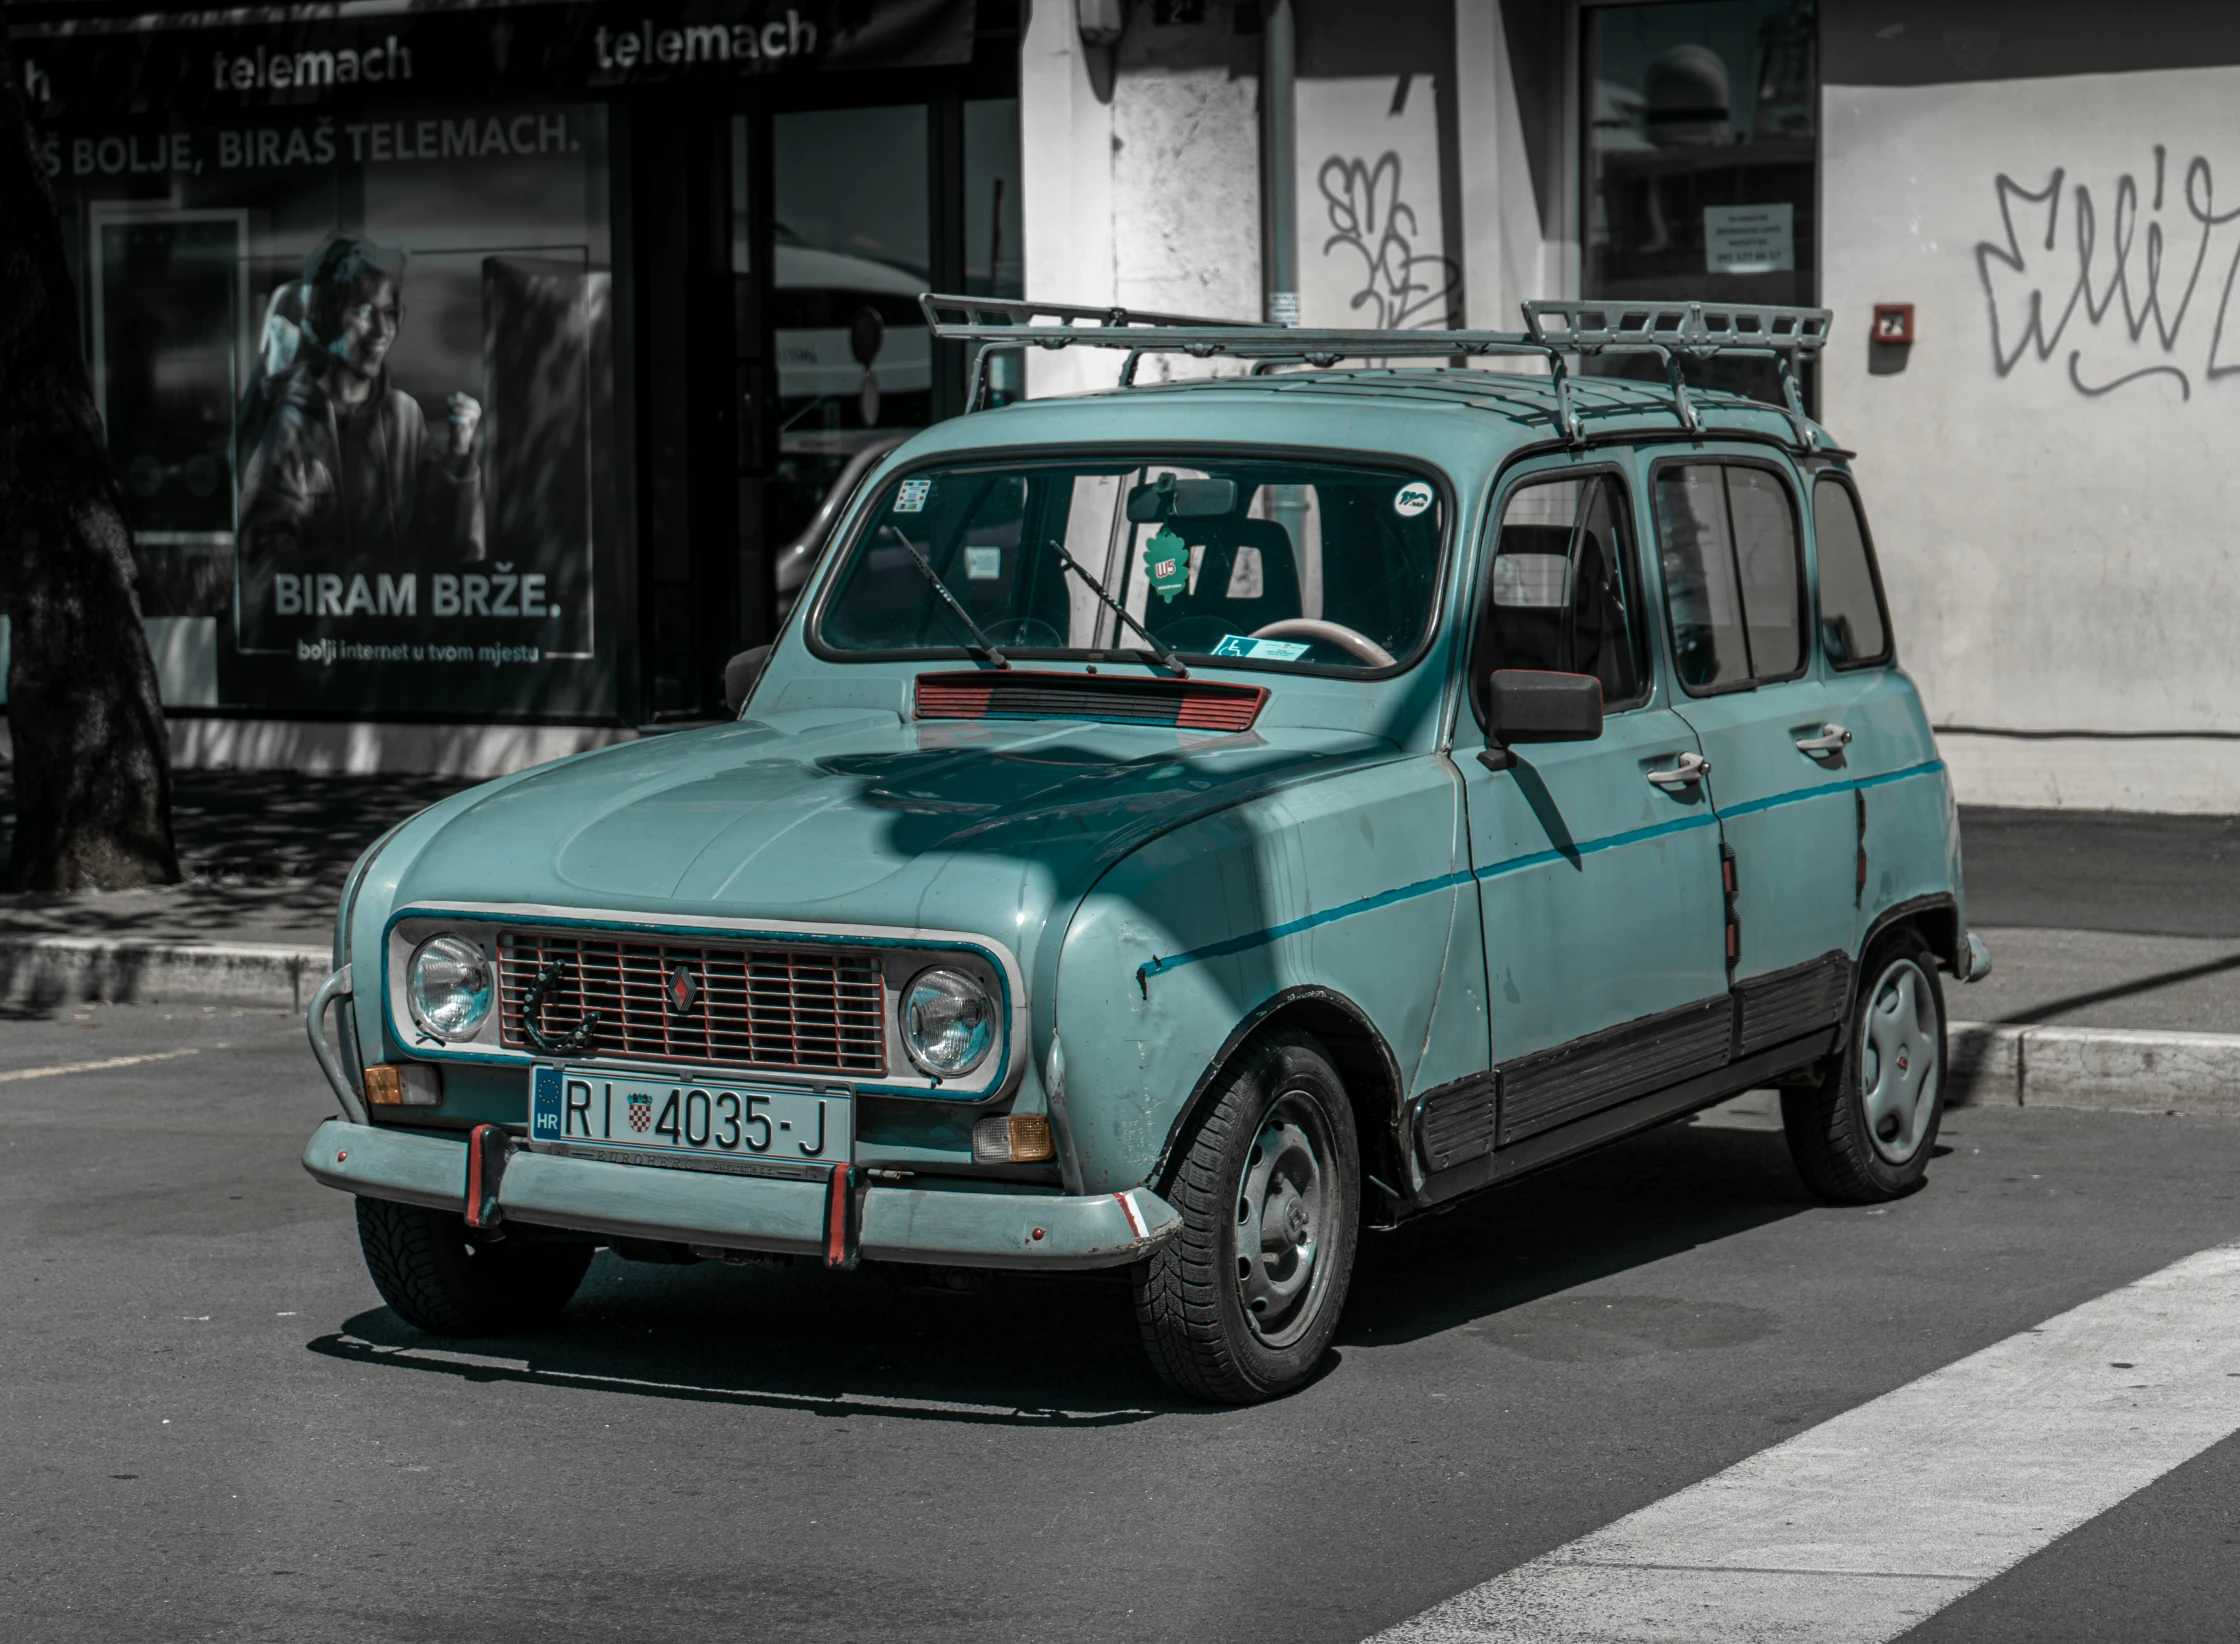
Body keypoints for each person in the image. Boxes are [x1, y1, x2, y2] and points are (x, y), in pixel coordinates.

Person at [238, 236, 483, 631]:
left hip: (401, 654)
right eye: (365, 312)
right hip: (326, 658)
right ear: (328, 315)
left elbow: (448, 547)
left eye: (391, 313)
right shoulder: (288, 424)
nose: (381, 330)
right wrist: (369, 581)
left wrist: (457, 457)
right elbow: (263, 563)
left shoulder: (405, 415)